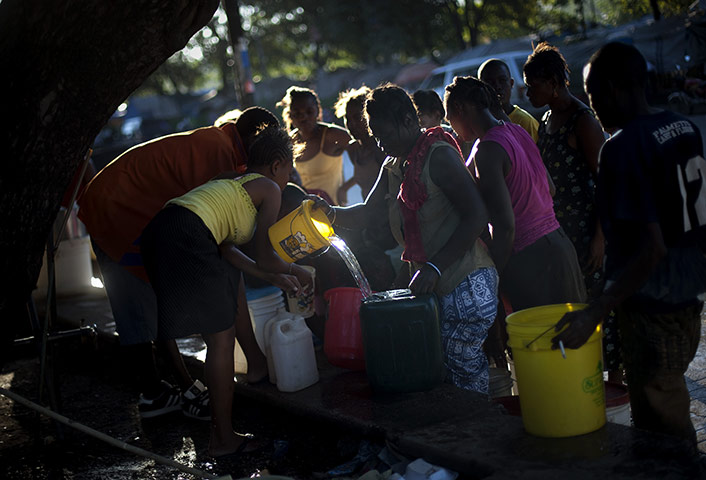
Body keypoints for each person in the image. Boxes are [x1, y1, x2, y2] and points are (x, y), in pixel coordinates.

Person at [77, 107, 280, 420]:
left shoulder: (225, 144)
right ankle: (166, 393)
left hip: (129, 204)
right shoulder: (219, 152)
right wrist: (256, 359)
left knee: (157, 300)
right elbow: (222, 250)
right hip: (117, 207)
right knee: (145, 305)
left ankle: (180, 389)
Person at [553, 42, 706, 452]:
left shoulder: (621, 148)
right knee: (666, 403)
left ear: (617, 88)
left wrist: (596, 310)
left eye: (593, 95)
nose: (593, 106)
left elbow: (650, 248)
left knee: (664, 427)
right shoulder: (684, 127)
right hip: (689, 299)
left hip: (653, 307)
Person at [140, 126, 313, 457]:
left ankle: (252, 370)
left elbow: (228, 252)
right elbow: (265, 254)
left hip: (161, 230)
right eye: (289, 170)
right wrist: (295, 269)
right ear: (278, 164)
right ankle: (222, 439)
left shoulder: (230, 181)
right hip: (189, 234)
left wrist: (276, 278)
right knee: (221, 339)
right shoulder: (269, 189)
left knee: (220, 314)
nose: (287, 178)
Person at [319, 84, 498, 393]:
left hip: (465, 283)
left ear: (407, 120)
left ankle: (476, 438)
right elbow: (368, 213)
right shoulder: (395, 165)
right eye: (375, 136)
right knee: (438, 377)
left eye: (384, 135)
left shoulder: (438, 156)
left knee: (463, 382)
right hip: (436, 288)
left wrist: (435, 267)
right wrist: (329, 213)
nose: (379, 143)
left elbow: (477, 215)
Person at [444, 75, 586, 313]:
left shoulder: (488, 150)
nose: (453, 128)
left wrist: (494, 274)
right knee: (572, 343)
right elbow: (549, 188)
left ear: (459, 109)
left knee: (542, 342)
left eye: (450, 118)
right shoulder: (515, 130)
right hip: (560, 246)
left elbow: (506, 227)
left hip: (533, 259)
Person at [522, 43, 620, 379]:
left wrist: (600, 238)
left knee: (600, 310)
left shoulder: (582, 121)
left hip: (589, 232)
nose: (527, 92)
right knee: (574, 308)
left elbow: (606, 184)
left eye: (532, 85)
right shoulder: (548, 118)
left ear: (552, 81)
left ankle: (616, 387)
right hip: (562, 232)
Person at [277, 86, 353, 204]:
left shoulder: (331, 135)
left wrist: (345, 187)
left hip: (334, 213)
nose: (304, 117)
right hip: (304, 213)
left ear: (317, 111)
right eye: (297, 113)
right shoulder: (289, 141)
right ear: (290, 115)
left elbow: (365, 147)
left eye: (309, 111)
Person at [333, 86, 387, 205]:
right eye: (347, 119)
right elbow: (365, 177)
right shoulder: (353, 149)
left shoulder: (382, 148)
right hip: (368, 216)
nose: (352, 124)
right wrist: (344, 188)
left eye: (357, 118)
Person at [478, 58, 539, 141]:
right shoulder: (478, 123)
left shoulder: (525, 121)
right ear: (481, 88)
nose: (497, 86)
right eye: (490, 82)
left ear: (511, 83)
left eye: (502, 80)